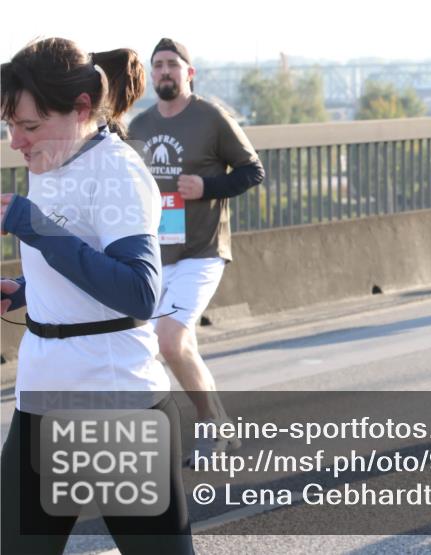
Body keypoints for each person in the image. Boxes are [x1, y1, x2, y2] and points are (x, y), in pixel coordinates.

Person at [0, 38, 194, 553]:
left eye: (30, 126)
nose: (16, 141)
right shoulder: (49, 161)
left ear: (81, 108)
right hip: (41, 399)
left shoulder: (116, 172)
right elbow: (79, 263)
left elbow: (139, 290)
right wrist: (22, 291)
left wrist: (35, 227)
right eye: (10, 127)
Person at [128, 38, 264, 464]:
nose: (164, 72)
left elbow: (252, 171)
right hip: (156, 255)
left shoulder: (210, 117)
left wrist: (208, 187)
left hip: (202, 251)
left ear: (190, 73)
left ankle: (212, 431)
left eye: (172, 64)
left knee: (170, 339)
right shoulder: (141, 126)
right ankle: (221, 424)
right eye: (158, 66)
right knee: (163, 345)